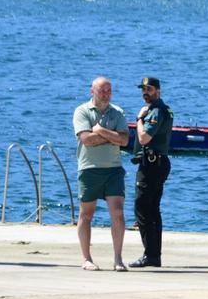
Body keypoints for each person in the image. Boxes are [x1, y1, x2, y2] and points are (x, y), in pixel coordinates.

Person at [73, 77, 129, 272]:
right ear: (92, 91)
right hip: (89, 169)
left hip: (113, 170)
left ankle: (118, 258)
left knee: (118, 214)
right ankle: (86, 258)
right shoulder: (82, 111)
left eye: (109, 90)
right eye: (102, 90)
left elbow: (124, 140)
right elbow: (86, 139)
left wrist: (101, 130)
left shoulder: (118, 112)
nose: (106, 94)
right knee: (86, 214)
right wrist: (110, 136)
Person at [130, 77, 173, 268]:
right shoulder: (162, 109)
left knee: (143, 207)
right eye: (143, 89)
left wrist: (139, 119)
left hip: (152, 164)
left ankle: (151, 254)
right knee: (152, 210)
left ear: (158, 91)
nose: (145, 92)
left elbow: (144, 137)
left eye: (149, 89)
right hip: (157, 163)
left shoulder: (155, 111)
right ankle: (154, 254)